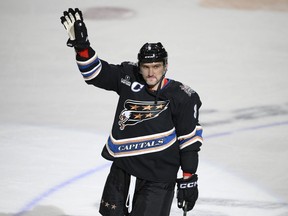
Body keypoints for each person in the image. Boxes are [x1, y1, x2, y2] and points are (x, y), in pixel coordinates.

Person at [60, 8, 203, 216]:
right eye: (146, 67)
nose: (151, 72)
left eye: (156, 66)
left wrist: (189, 179)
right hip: (124, 167)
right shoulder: (129, 77)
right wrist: (82, 46)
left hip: (158, 175)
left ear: (166, 66)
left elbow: (188, 142)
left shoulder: (183, 96)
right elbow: (95, 73)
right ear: (140, 66)